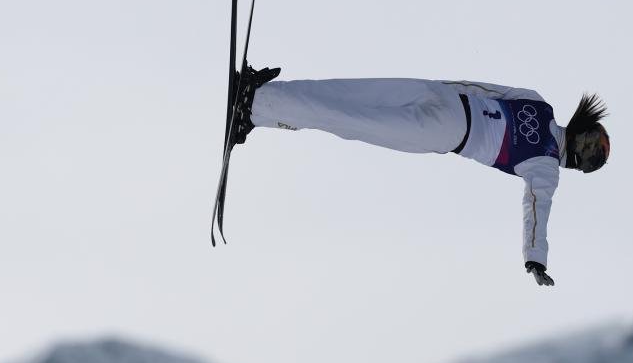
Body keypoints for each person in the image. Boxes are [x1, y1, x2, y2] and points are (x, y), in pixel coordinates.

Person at [229, 65, 610, 286]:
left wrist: (436, 88)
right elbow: (536, 209)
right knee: (352, 121)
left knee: (352, 94)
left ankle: (261, 92)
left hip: (444, 97)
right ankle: (256, 107)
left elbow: (477, 87)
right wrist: (535, 261)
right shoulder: (544, 164)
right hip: (447, 132)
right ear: (577, 158)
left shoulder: (539, 103)